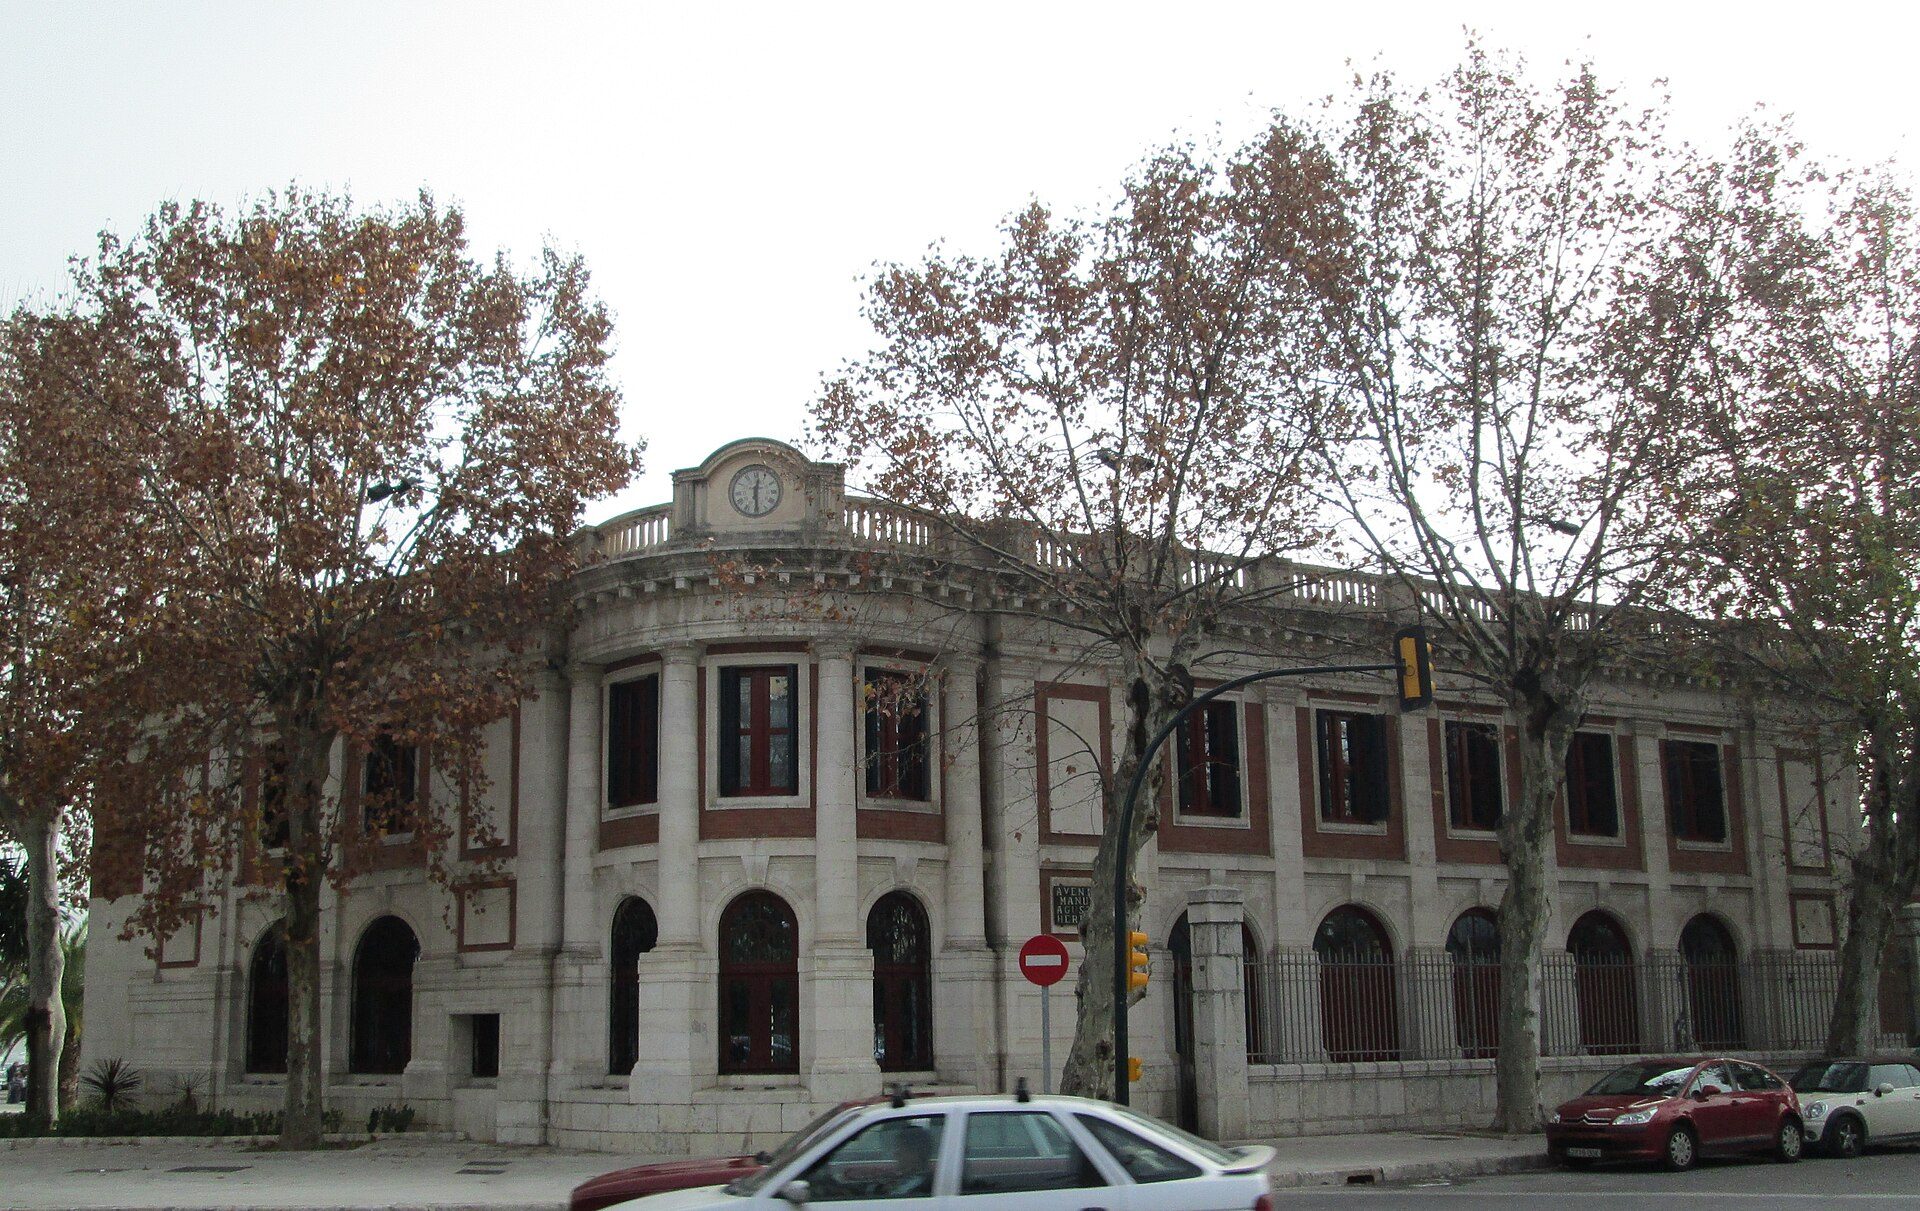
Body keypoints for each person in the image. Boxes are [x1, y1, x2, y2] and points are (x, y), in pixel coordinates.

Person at [884, 1126, 936, 1198]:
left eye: (900, 1147)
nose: (896, 1153)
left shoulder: (923, 1189)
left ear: (915, 1153)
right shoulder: (907, 1179)